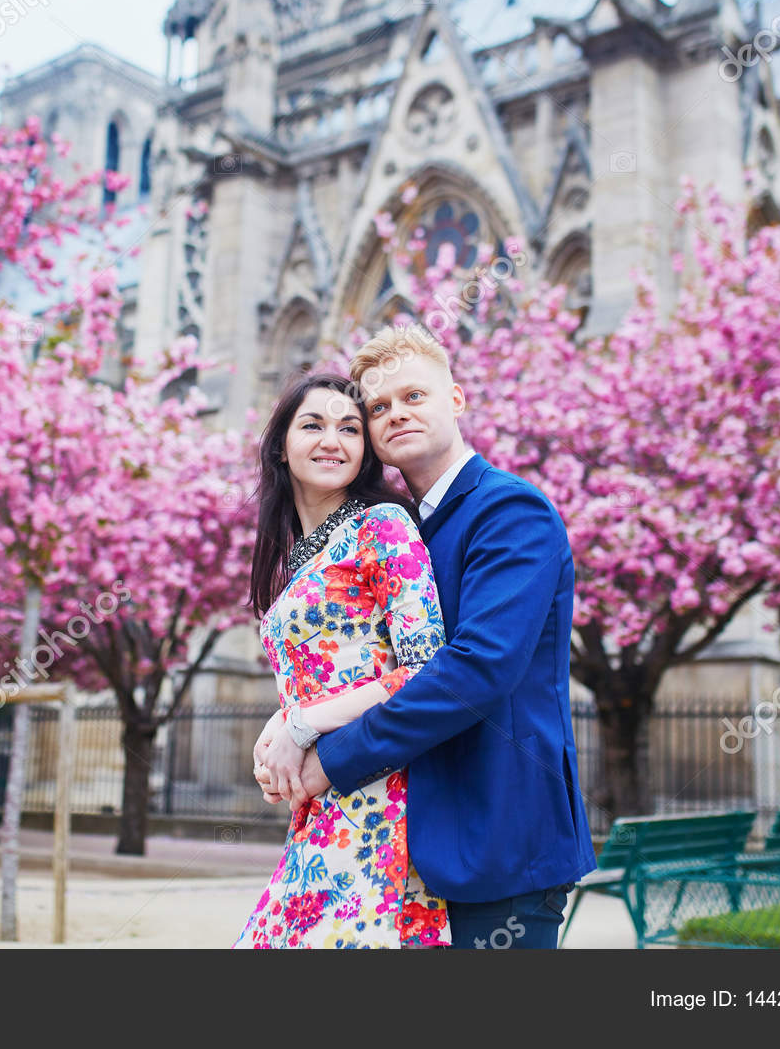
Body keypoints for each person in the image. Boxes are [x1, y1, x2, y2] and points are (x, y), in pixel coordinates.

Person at [255, 323, 596, 949]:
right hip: (414, 842)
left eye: (415, 396)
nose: (396, 415)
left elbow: (475, 670)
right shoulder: (406, 527)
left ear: (456, 399)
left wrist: (326, 754)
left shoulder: (508, 511)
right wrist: (291, 717)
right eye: (378, 407)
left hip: (498, 842)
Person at [232, 370, 452, 949]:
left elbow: (428, 668)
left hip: (382, 802)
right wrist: (279, 729)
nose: (332, 440)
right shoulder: (296, 558)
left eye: (350, 429)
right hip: (321, 803)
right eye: (313, 425)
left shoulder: (382, 525)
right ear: (281, 444)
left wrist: (301, 722)